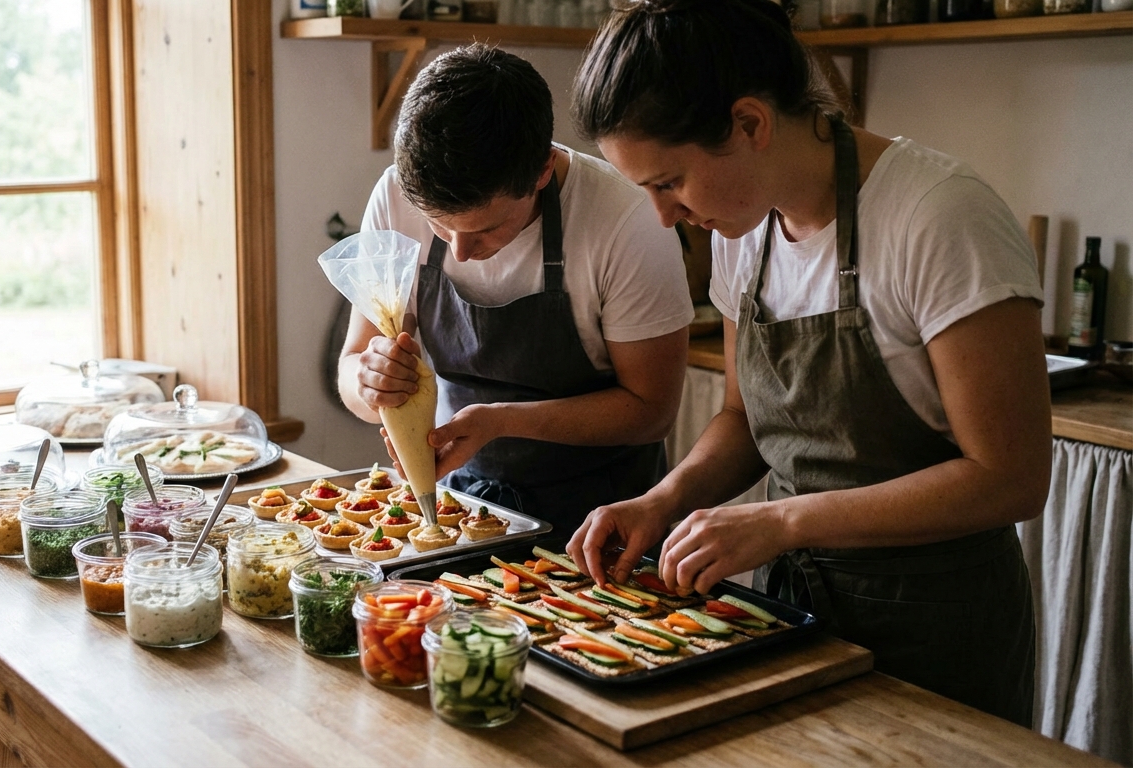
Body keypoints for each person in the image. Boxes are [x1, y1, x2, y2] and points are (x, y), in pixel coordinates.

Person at [565, 0, 1050, 725]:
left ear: (751, 124)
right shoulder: (740, 230)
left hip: (936, 625)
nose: (664, 216)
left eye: (668, 183)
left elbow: (1010, 477)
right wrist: (662, 503)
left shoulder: (939, 217)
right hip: (789, 613)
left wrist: (785, 522)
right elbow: (742, 418)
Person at [338, 44, 695, 533]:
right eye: (439, 227)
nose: (460, 253)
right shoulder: (396, 196)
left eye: (487, 228)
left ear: (542, 169)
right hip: (460, 507)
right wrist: (369, 382)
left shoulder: (626, 221)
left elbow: (651, 410)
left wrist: (501, 421)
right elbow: (352, 363)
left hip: (602, 518)